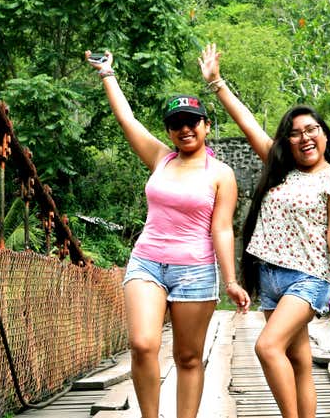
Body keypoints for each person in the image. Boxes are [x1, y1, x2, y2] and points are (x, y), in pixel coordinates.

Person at [85, 50, 250, 418]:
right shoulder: (160, 158)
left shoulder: (221, 173)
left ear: (206, 126)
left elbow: (222, 228)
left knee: (188, 357)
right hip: (147, 262)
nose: (185, 129)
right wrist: (108, 74)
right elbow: (127, 119)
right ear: (169, 130)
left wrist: (232, 280)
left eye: (193, 121)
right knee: (143, 344)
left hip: (195, 270)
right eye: (177, 123)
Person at [198, 43, 330, 418]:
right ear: (288, 142)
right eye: (296, 133)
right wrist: (217, 82)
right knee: (298, 359)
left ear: (325, 135)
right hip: (269, 275)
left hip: (309, 277)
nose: (305, 137)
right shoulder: (280, 169)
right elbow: (247, 122)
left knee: (267, 347)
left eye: (312, 129)